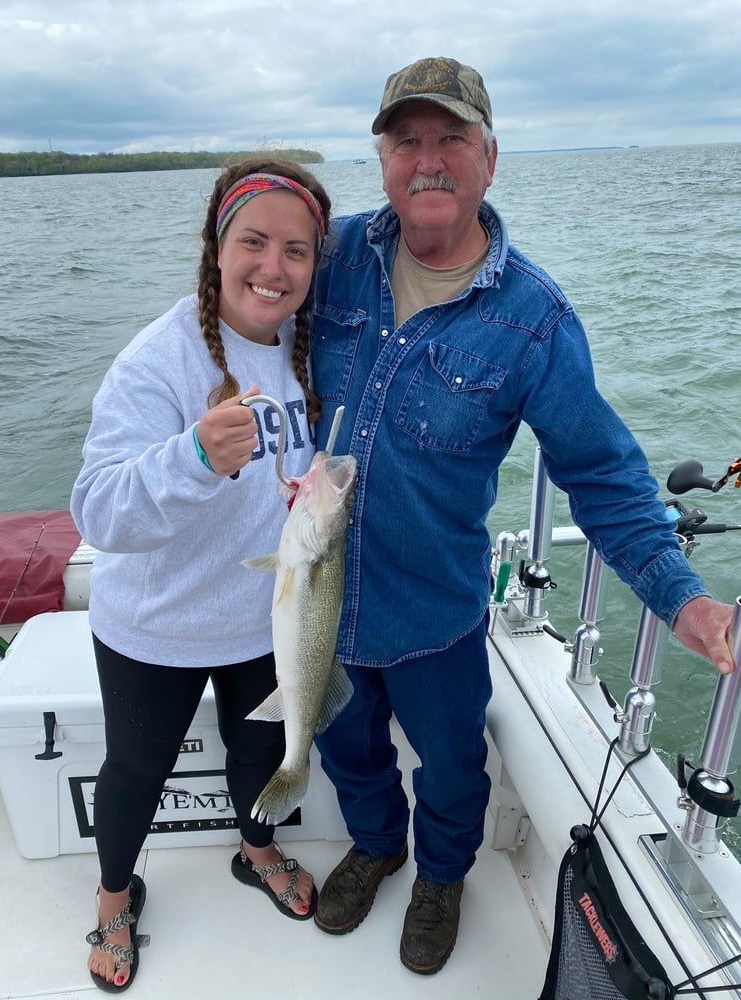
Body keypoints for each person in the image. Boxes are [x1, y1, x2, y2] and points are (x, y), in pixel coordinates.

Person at [309, 57, 737, 976]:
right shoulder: (329, 256)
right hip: (321, 596)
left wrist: (684, 599)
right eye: (407, 140)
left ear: (490, 158)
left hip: (436, 611)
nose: (428, 160)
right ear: (381, 159)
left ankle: (442, 875)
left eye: (450, 138)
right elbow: (234, 311)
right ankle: (380, 843)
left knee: (456, 766)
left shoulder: (534, 316)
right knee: (344, 741)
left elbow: (604, 474)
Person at [70, 156, 331, 991]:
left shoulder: (314, 347)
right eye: (253, 241)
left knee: (259, 749)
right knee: (135, 770)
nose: (274, 267)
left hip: (266, 617)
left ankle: (255, 850)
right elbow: (97, 512)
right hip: (157, 626)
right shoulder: (158, 360)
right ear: (216, 248)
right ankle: (115, 898)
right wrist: (191, 457)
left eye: (297, 251)